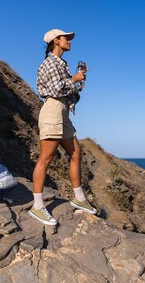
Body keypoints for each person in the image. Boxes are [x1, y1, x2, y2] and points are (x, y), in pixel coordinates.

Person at [29, 28, 97, 226]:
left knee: (77, 152)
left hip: (63, 113)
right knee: (46, 158)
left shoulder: (62, 64)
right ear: (56, 41)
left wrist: (79, 82)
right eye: (66, 38)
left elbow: (71, 94)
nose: (70, 41)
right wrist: (73, 80)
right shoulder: (49, 62)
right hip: (52, 111)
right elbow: (55, 89)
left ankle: (78, 198)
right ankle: (38, 206)